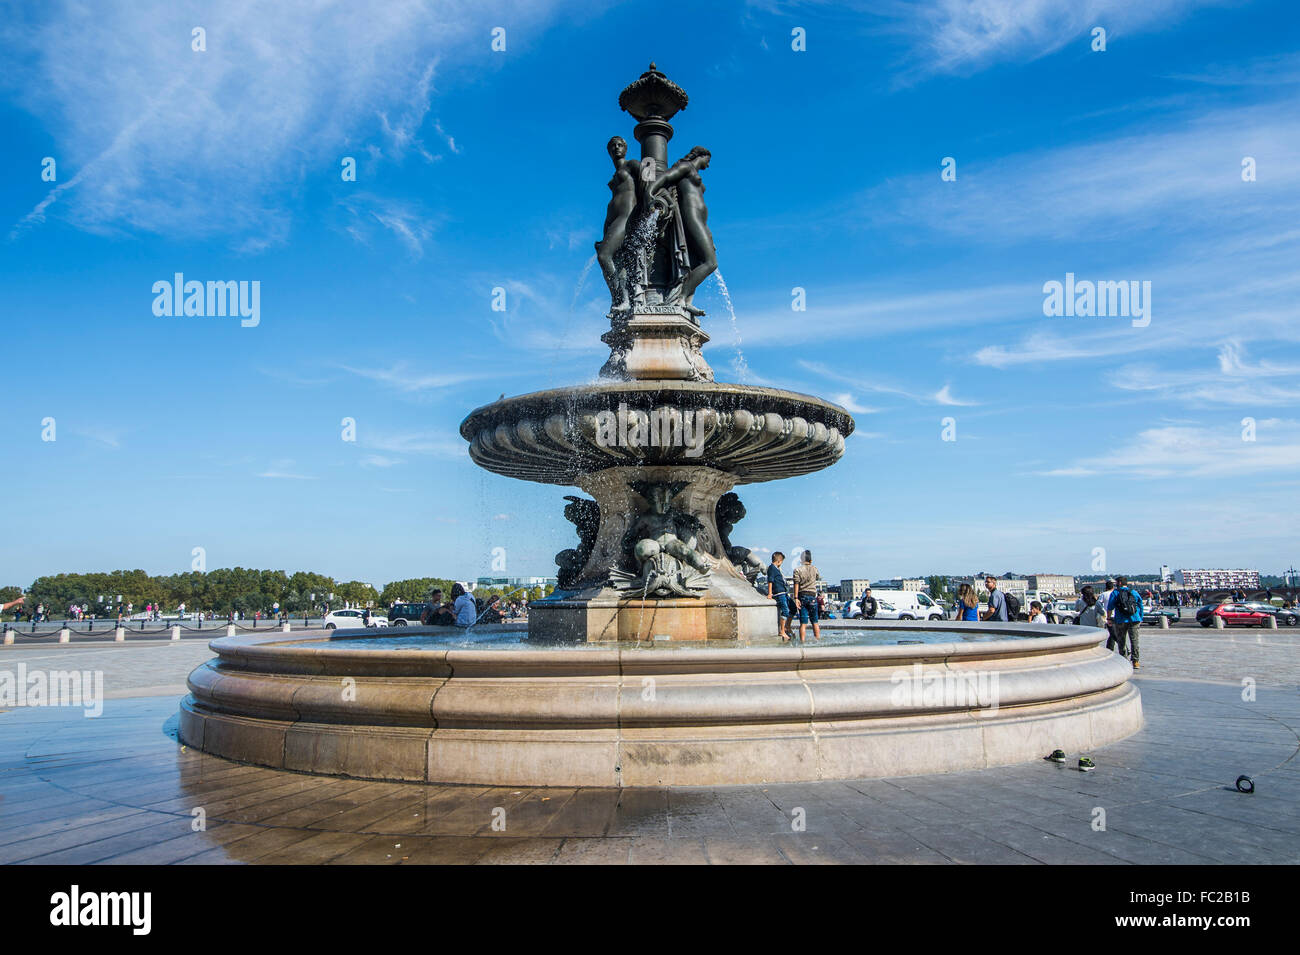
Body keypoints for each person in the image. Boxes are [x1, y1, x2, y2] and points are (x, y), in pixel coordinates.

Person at [1107, 574, 1144, 669]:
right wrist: (1140, 617)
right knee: (1134, 640)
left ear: (1119, 583)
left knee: (1121, 641)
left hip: (1120, 620)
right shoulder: (1134, 592)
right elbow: (1140, 605)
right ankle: (1135, 661)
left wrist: (1109, 618)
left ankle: (1123, 659)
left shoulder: (1115, 593)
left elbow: (1110, 607)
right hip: (1134, 619)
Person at [791, 550, 821, 643]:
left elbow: (796, 584)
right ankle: (817, 640)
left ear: (801, 560)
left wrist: (796, 598)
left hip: (802, 596)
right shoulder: (814, 568)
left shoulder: (797, 570)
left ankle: (802, 642)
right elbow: (817, 577)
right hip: (812, 596)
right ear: (811, 560)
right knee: (815, 622)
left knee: (803, 623)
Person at [766, 551, 794, 641]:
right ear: (779, 561)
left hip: (784, 593)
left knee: (793, 608)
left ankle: (787, 626)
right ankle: (782, 631)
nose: (781, 564)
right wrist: (770, 593)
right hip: (779, 593)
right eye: (781, 562)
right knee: (785, 611)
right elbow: (770, 581)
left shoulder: (776, 569)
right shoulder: (771, 568)